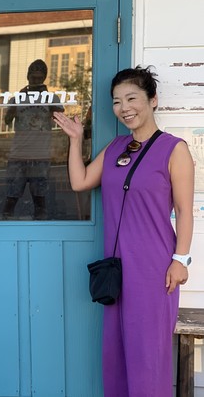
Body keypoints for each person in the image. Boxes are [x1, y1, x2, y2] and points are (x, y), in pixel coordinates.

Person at [53, 66, 194, 397]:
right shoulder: (115, 147)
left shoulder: (175, 150)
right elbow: (80, 181)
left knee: (148, 358)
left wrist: (181, 260)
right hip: (116, 270)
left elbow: (186, 211)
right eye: (117, 102)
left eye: (132, 98)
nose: (124, 108)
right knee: (115, 357)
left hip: (155, 270)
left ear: (152, 100)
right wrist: (76, 140)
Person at [3, 59, 64, 220]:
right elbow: (7, 120)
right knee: (11, 197)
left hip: (41, 154)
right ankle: (5, 228)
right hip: (19, 154)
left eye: (39, 78)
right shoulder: (18, 97)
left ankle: (41, 229)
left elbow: (60, 118)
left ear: (44, 79)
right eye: (33, 78)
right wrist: (19, 99)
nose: (36, 81)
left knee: (40, 199)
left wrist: (47, 97)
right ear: (27, 77)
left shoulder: (51, 98)